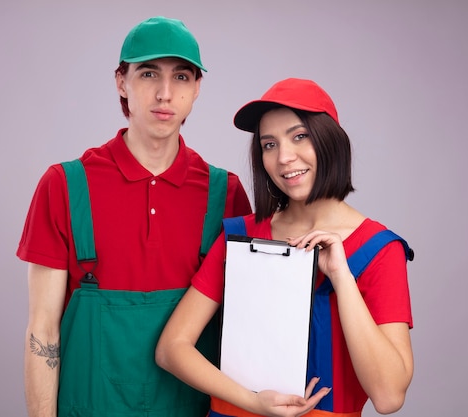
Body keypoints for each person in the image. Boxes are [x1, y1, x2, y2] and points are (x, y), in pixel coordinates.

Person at [17, 16, 252, 417]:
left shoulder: (225, 195)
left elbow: (244, 330)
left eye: (181, 77)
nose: (164, 94)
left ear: (197, 89)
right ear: (121, 82)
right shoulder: (64, 186)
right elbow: (43, 331)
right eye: (148, 74)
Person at [156, 78, 414, 417]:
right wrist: (253, 401)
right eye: (269, 145)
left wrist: (340, 275)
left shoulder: (379, 250)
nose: (284, 158)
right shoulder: (242, 235)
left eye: (299, 137)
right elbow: (171, 348)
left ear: (330, 142)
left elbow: (388, 397)